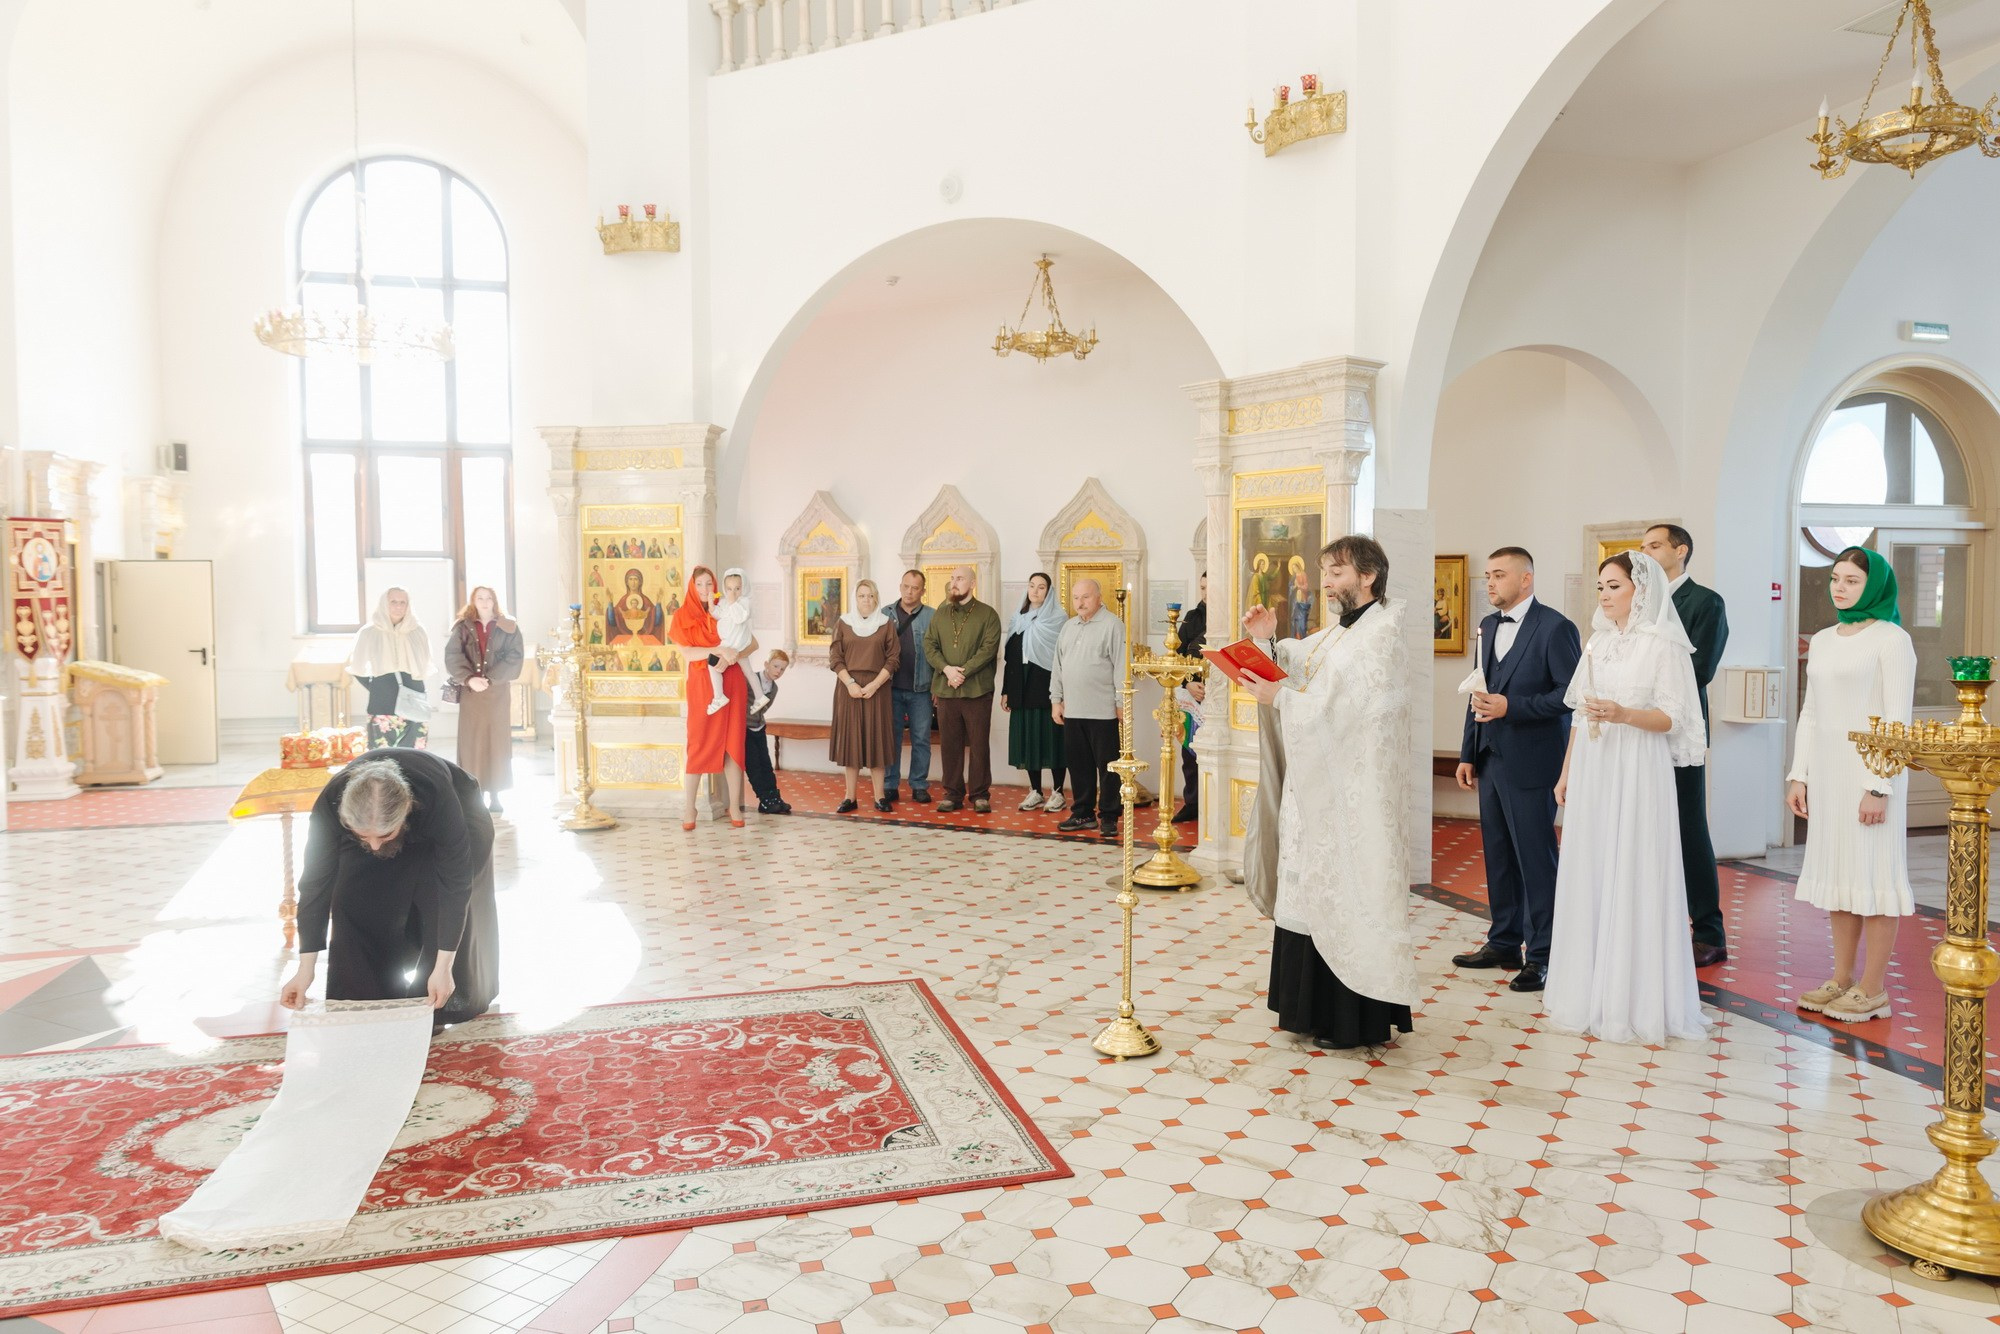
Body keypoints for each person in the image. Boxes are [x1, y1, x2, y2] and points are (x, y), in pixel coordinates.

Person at [1239, 536, 1419, 1049]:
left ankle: (1351, 1019)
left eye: (1337, 571)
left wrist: (1284, 701)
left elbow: (1347, 711)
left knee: (1349, 889)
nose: (1327, 581)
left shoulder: (1381, 635)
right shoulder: (1340, 634)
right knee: (1312, 888)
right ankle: (1309, 1012)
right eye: (1325, 571)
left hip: (1356, 800)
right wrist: (1266, 644)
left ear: (1368, 576)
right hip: (1318, 793)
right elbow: (1304, 665)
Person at [1544, 551, 1709, 1045]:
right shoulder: (1597, 642)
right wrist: (1568, 770)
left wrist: (1622, 714)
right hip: (1596, 766)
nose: (1604, 595)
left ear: (1641, 590)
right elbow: (1578, 712)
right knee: (1592, 866)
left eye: (1614, 585)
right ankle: (1588, 990)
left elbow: (1672, 718)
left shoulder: (1663, 646)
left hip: (1638, 767)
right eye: (1600, 587)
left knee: (1633, 866)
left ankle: (1634, 998)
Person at [1786, 548, 1917, 1024]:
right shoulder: (1822, 640)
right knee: (1842, 880)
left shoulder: (1892, 640)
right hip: (1828, 774)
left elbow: (1897, 721)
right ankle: (1842, 979)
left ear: (1875, 585)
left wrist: (1878, 786)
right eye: (1835, 579)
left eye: (1852, 581)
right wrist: (1799, 774)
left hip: (1870, 777)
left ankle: (1874, 990)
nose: (1839, 588)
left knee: (1875, 878)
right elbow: (1811, 712)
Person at [279, 749, 498, 1031]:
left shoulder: (437, 801)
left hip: (459, 809)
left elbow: (454, 888)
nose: (373, 846)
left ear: (407, 811)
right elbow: (315, 885)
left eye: (384, 836)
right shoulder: (331, 805)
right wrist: (304, 970)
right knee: (350, 898)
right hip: (374, 816)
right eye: (363, 837)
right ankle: (363, 1002)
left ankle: (432, 1003)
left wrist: (443, 968)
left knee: (436, 898)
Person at [1451, 548, 1582, 993]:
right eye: (1487, 575)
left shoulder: (1556, 628)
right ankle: (1504, 941)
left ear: (1526, 579)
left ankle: (1543, 955)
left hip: (1533, 760)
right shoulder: (1488, 626)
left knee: (1535, 860)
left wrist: (1515, 707)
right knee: (1499, 856)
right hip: (1490, 758)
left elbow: (1570, 695)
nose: (1489, 583)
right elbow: (1478, 688)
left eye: (1499, 575)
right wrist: (1468, 751)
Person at [1641, 523, 1731, 968]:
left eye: (1654, 546)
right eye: (1642, 547)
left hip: (1680, 729)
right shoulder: (1640, 601)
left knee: (1688, 829)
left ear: (1681, 551)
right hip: (1637, 728)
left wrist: (1644, 686)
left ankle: (1709, 932)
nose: (1646, 553)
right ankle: (1653, 923)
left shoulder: (1705, 601)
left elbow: (1700, 668)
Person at [670, 566, 752, 830]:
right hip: (702, 685)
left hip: (732, 680)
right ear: (692, 587)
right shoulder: (682, 616)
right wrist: (717, 649)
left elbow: (753, 643)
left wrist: (735, 654)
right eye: (700, 585)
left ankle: (735, 806)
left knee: (733, 742)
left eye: (709, 584)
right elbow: (688, 653)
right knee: (698, 741)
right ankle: (689, 807)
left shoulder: (726, 607)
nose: (705, 590)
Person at [1050, 578, 1126, 838]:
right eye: (1076, 598)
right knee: (1078, 765)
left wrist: (1120, 704)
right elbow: (1057, 667)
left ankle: (1108, 816)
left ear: (1099, 597)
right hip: (1073, 710)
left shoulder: (1113, 625)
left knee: (1108, 767)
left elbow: (1121, 667)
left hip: (1103, 711)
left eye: (1085, 597)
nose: (1080, 603)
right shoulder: (1068, 627)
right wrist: (1056, 700)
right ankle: (1083, 812)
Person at [923, 565, 1001, 815]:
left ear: (973, 583)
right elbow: (930, 645)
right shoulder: (941, 614)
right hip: (947, 690)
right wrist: (947, 670)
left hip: (977, 691)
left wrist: (962, 672)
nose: (954, 583)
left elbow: (988, 650)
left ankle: (979, 794)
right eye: (952, 578)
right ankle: (952, 793)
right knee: (950, 744)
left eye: (960, 579)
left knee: (978, 745)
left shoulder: (988, 615)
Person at [444, 586, 523, 815]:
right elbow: (453, 655)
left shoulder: (509, 626)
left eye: (489, 598)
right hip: (471, 693)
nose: (485, 602)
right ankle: (473, 793)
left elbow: (515, 656)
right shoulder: (462, 627)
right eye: (480, 598)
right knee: (472, 743)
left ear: (495, 601)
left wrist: (490, 678)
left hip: (496, 693)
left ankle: (495, 794)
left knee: (496, 743)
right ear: (473, 601)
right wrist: (469, 679)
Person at [829, 579, 901, 813]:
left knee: (876, 742)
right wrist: (850, 683)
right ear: (855, 598)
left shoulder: (886, 624)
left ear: (876, 598)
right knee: (851, 744)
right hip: (848, 689)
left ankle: (880, 797)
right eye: (862, 596)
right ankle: (850, 797)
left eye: (870, 596)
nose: (866, 600)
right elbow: (835, 658)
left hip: (877, 690)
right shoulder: (843, 623)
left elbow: (893, 658)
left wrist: (875, 684)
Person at [1003, 572, 1069, 812]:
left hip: (1047, 687)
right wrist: (1006, 690)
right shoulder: (1018, 619)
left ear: (1049, 592)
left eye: (1041, 587)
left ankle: (1059, 791)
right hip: (1021, 685)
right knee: (1027, 739)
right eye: (1032, 586)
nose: (1035, 591)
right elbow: (1011, 656)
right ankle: (1035, 791)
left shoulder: (1058, 619)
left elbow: (1062, 658)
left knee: (1052, 739)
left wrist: (1060, 695)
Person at [347, 587, 431, 750]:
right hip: (383, 701)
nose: (398, 607)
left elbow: (425, 665)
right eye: (393, 602)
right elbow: (357, 667)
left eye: (403, 602)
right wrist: (376, 687)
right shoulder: (369, 632)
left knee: (415, 757)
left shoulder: (418, 631)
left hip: (414, 699)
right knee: (382, 758)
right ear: (384, 604)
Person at [883, 570, 935, 806]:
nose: (909, 592)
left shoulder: (932, 617)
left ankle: (919, 785)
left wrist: (937, 687)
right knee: (890, 739)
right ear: (900, 586)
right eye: (906, 586)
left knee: (921, 739)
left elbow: (938, 653)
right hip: (890, 688)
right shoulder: (885, 614)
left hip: (921, 689)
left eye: (915, 588)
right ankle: (890, 784)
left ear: (923, 591)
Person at [1172, 572, 1208, 823]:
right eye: (1202, 587)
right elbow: (1177, 656)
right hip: (1193, 695)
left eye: (1210, 587)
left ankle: (1215, 802)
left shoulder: (1233, 613)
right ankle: (1192, 803)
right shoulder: (1193, 618)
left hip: (1220, 695)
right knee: (1190, 751)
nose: (1205, 593)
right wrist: (1189, 682)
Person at [743, 649, 792, 816]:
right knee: (754, 766)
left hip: (759, 727)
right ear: (766, 664)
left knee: (766, 763)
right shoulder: (751, 679)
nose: (778, 671)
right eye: (776, 666)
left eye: (782, 669)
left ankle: (773, 797)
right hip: (745, 729)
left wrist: (758, 722)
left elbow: (764, 709)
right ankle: (764, 799)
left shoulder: (774, 688)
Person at [707, 568, 759, 715]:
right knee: (747, 671)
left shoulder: (744, 602)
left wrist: (732, 603)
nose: (733, 593)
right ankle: (759, 697)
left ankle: (719, 696)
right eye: (729, 589)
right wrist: (711, 604)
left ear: (743, 588)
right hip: (728, 643)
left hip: (735, 643)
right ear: (725, 588)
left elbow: (739, 618)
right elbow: (718, 614)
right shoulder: (724, 602)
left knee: (713, 663)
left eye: (737, 588)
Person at [607, 567, 665, 646]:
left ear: (640, 582)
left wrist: (658, 603)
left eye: (636, 579)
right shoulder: (623, 601)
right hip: (625, 639)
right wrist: (610, 603)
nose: (633, 582)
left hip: (644, 639)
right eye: (630, 579)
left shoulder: (645, 600)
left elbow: (657, 622)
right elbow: (612, 622)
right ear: (626, 582)